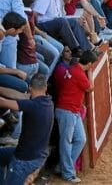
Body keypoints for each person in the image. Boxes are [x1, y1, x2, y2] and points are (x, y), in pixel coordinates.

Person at [0, 73, 54, 185]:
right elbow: (19, 95)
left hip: (24, 159)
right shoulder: (49, 102)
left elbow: (3, 102)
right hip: (38, 156)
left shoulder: (32, 105)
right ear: (45, 87)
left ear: (29, 88)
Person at [54, 50, 97, 183]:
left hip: (72, 110)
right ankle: (67, 173)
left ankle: (63, 166)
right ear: (89, 63)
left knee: (80, 139)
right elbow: (90, 88)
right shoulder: (79, 72)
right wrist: (89, 73)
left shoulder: (74, 68)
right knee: (66, 142)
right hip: (67, 111)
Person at [0, 0, 33, 69]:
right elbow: (22, 18)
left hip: (5, 33)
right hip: (7, 38)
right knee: (9, 71)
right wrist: (30, 38)